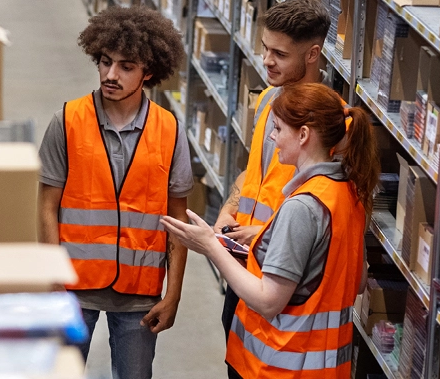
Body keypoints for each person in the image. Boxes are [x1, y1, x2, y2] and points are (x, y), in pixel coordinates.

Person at [161, 83, 378, 379]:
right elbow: (358, 280)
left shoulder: (302, 207)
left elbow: (268, 300)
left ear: (303, 135)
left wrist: (210, 245)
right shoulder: (348, 192)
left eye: (277, 128)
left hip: (280, 368)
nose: (272, 137)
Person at [37, 6, 192, 379]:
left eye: (126, 66)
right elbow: (46, 208)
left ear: (148, 72)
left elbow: (178, 219)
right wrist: (54, 280)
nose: (111, 74)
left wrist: (173, 295)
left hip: (139, 291)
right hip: (74, 287)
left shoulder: (169, 130)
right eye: (105, 62)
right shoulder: (68, 120)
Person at [213, 0, 332, 362]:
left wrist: (264, 233)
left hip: (281, 275)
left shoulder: (331, 125)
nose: (266, 60)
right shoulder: (267, 101)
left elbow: (322, 205)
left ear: (312, 54)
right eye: (266, 48)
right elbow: (253, 171)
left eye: (279, 53)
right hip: (242, 260)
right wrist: (226, 213)